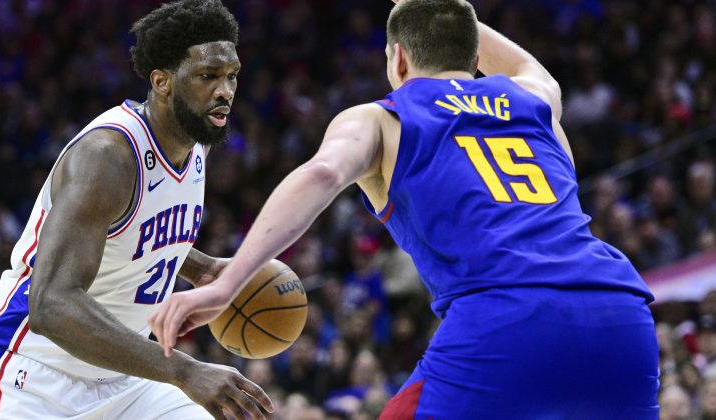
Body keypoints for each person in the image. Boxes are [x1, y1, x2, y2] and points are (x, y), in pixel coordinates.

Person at [150, 0, 659, 417]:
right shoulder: (535, 100)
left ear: (397, 60)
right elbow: (529, 66)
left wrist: (226, 283)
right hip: (620, 318)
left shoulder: (381, 118)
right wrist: (446, 15)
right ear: (474, 52)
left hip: (506, 319)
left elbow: (322, 174)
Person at [0, 1, 273, 419]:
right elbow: (51, 303)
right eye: (208, 76)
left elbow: (135, 234)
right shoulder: (107, 157)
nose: (225, 91)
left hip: (125, 381)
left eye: (231, 76)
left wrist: (203, 269)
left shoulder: (197, 143)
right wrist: (184, 370)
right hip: (32, 379)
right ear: (162, 82)